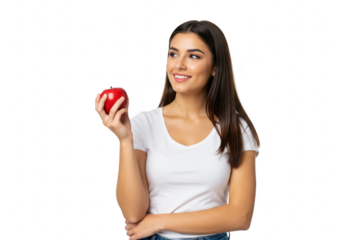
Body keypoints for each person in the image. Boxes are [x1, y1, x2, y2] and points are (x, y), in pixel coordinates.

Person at [96, 18, 261, 240]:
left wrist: (159, 221)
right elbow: (133, 214)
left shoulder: (236, 128)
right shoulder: (144, 124)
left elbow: (240, 216)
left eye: (193, 56)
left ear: (215, 67)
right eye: (173, 54)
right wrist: (125, 140)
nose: (179, 64)